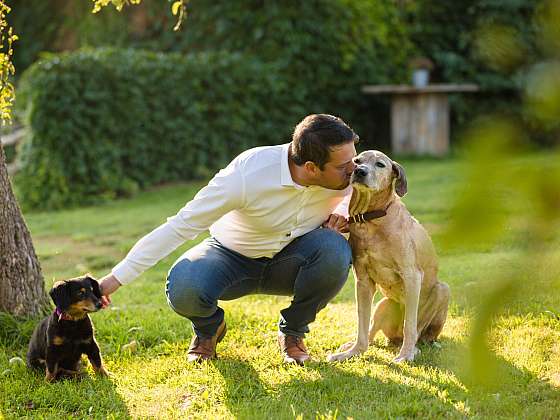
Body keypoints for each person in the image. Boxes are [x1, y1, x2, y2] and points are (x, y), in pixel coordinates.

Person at [99, 114, 358, 365]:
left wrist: (343, 208)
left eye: (354, 160)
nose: (354, 171)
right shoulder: (249, 173)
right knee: (185, 285)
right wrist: (116, 278)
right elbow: (182, 224)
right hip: (231, 258)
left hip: (294, 259)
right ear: (312, 168)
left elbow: (372, 194)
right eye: (344, 167)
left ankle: (293, 332)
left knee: (334, 249)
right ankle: (208, 329)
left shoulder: (347, 173)